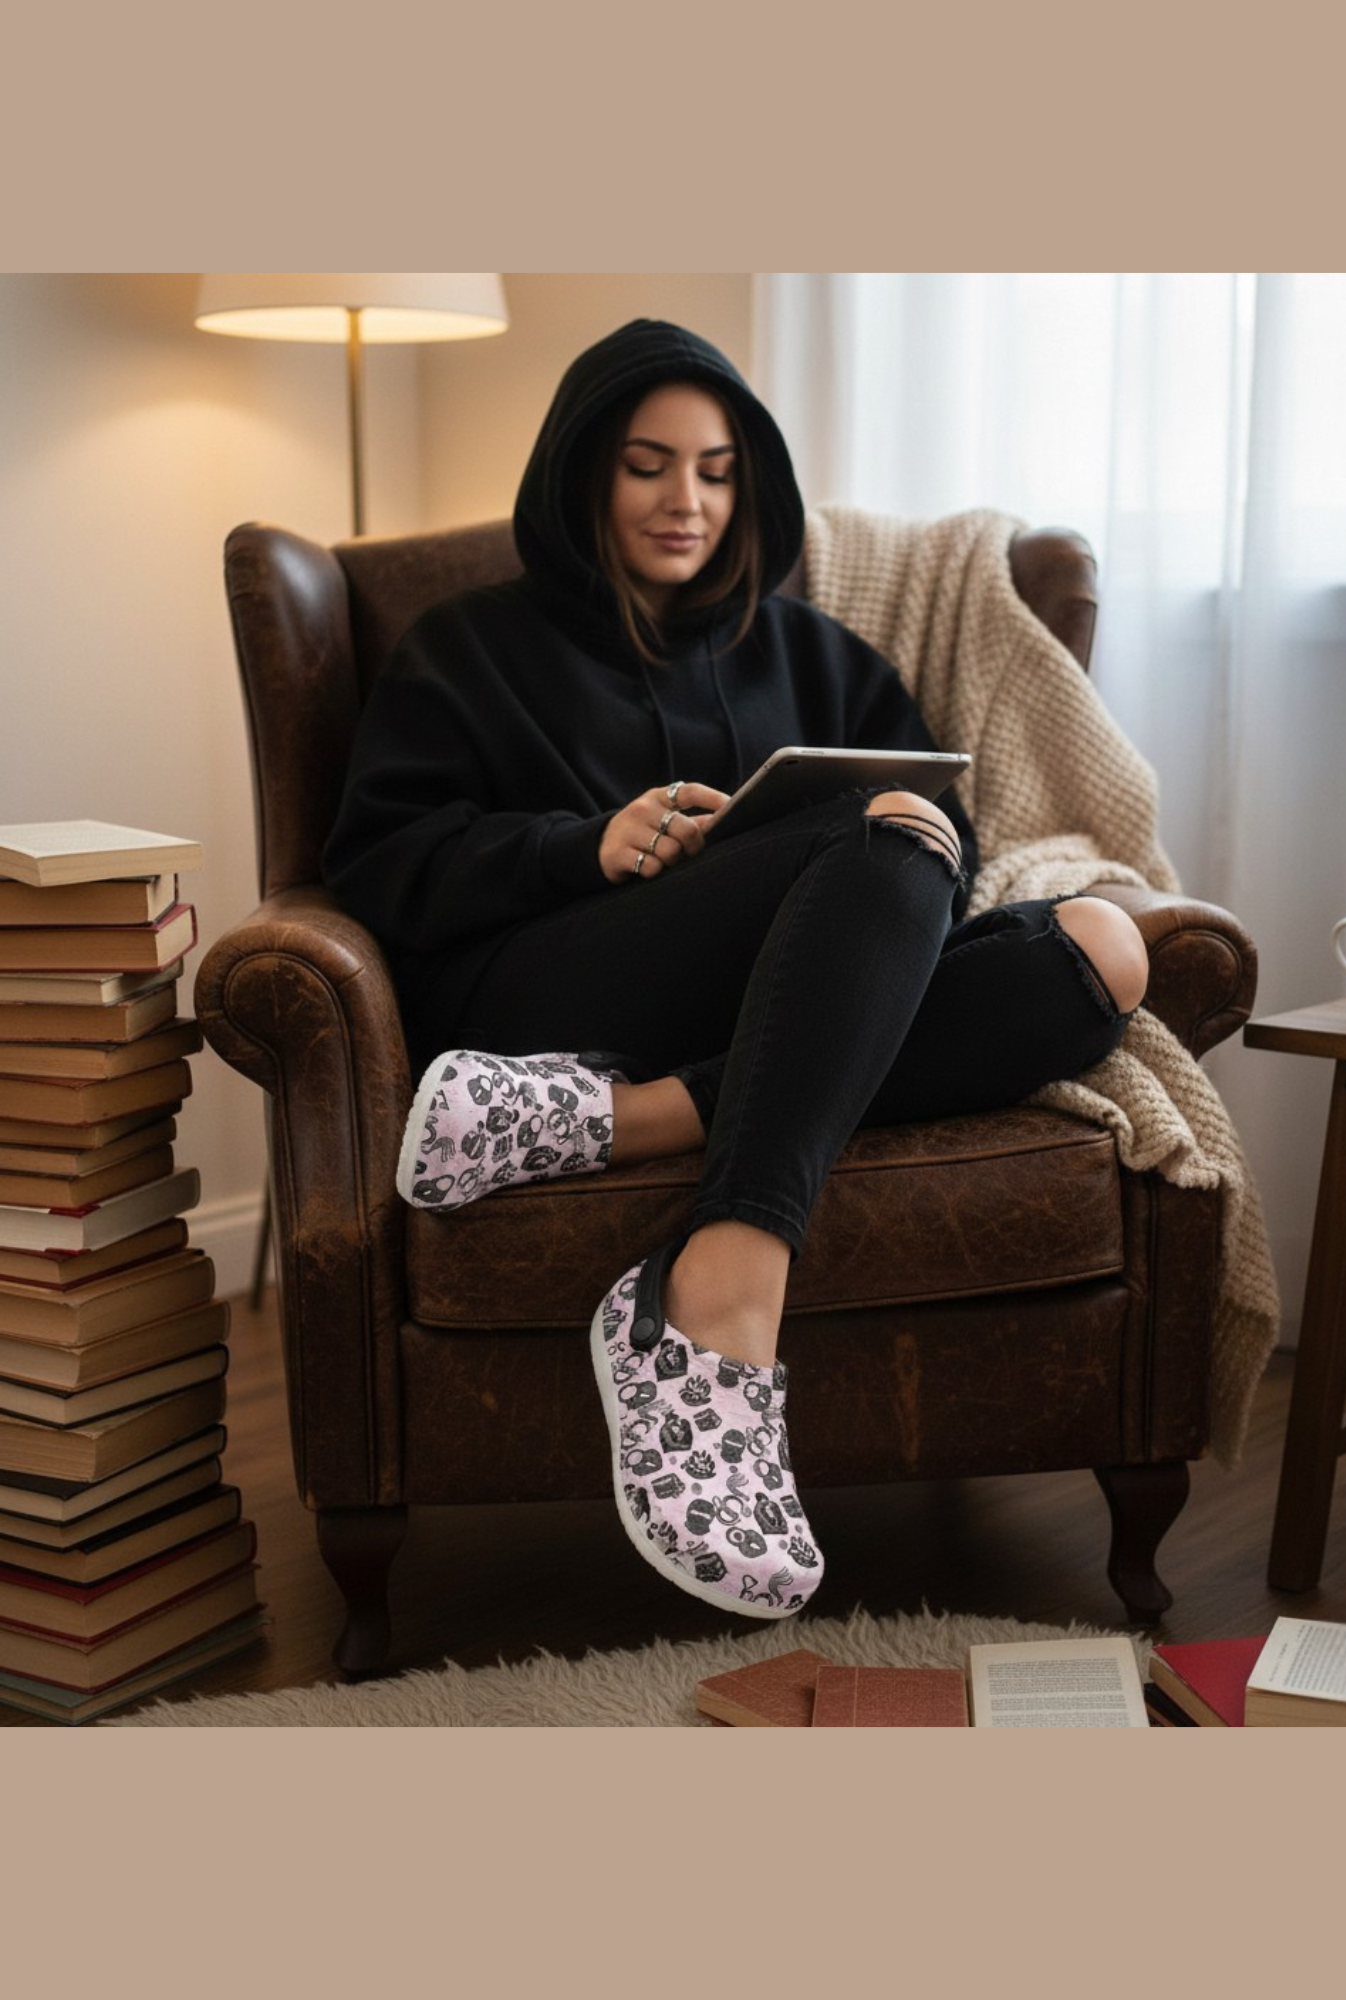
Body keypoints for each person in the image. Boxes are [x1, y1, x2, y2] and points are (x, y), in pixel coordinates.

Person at [321, 319, 1149, 1622]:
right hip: (549, 990)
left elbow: (947, 851)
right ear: (583, 472)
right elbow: (379, 866)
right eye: (647, 465)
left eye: (715, 472)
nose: (686, 501)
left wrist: (817, 873)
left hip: (780, 1011)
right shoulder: (464, 646)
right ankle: (719, 1284)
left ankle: (623, 1123)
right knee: (884, 827)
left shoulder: (817, 654)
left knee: (1101, 951)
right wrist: (583, 845)